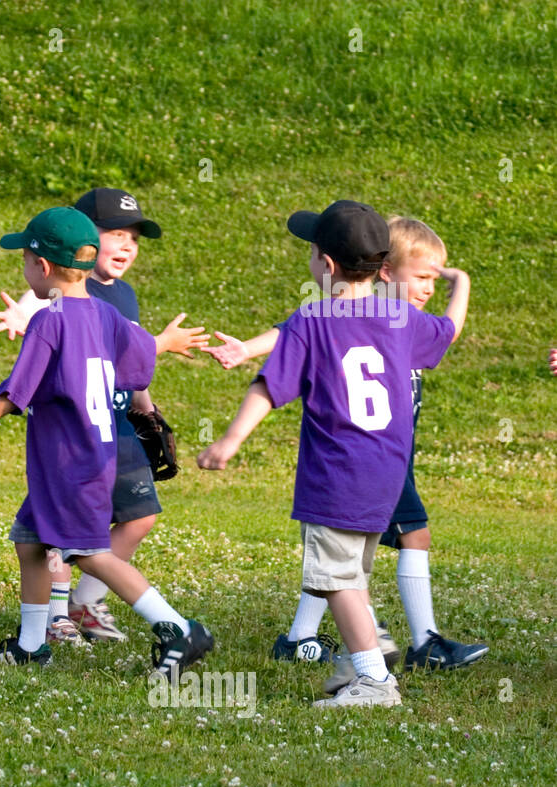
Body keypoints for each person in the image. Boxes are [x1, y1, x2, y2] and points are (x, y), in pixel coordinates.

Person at [198, 201, 468, 706]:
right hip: (386, 474)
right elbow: (447, 332)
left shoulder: (314, 319)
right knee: (351, 574)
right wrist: (462, 286)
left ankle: (374, 681)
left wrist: (228, 441)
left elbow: (268, 387)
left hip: (337, 474)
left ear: (325, 265)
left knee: (336, 579)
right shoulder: (400, 316)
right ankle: (363, 651)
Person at [0, 207, 212, 674]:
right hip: (90, 456)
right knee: (30, 541)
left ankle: (175, 626)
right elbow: (137, 368)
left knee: (87, 553)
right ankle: (31, 646)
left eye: (25, 261)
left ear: (42, 267)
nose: (25, 270)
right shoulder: (107, 315)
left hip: (71, 463)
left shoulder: (49, 321)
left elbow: (14, 395)